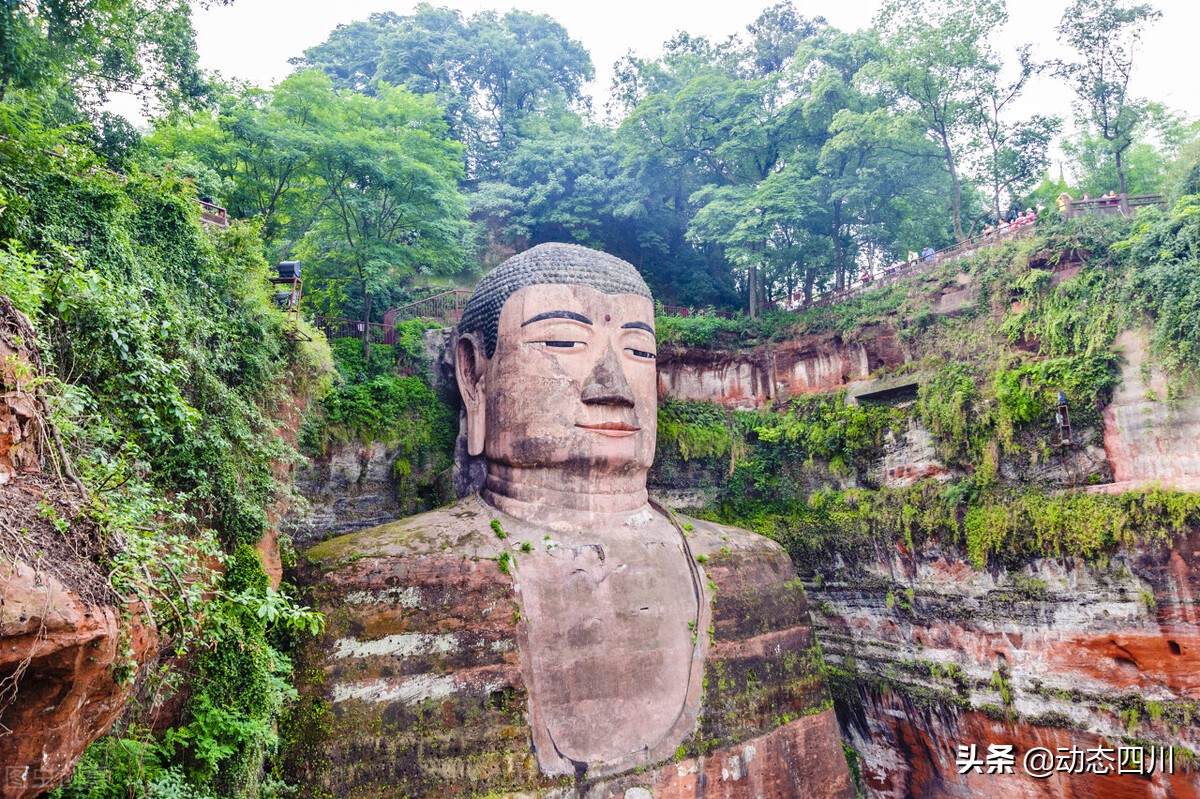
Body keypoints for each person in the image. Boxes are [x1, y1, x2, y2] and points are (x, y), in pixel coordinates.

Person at [298, 243, 854, 798]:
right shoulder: (371, 585)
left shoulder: (754, 569)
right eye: (563, 341)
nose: (611, 384)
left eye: (638, 351)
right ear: (474, 375)